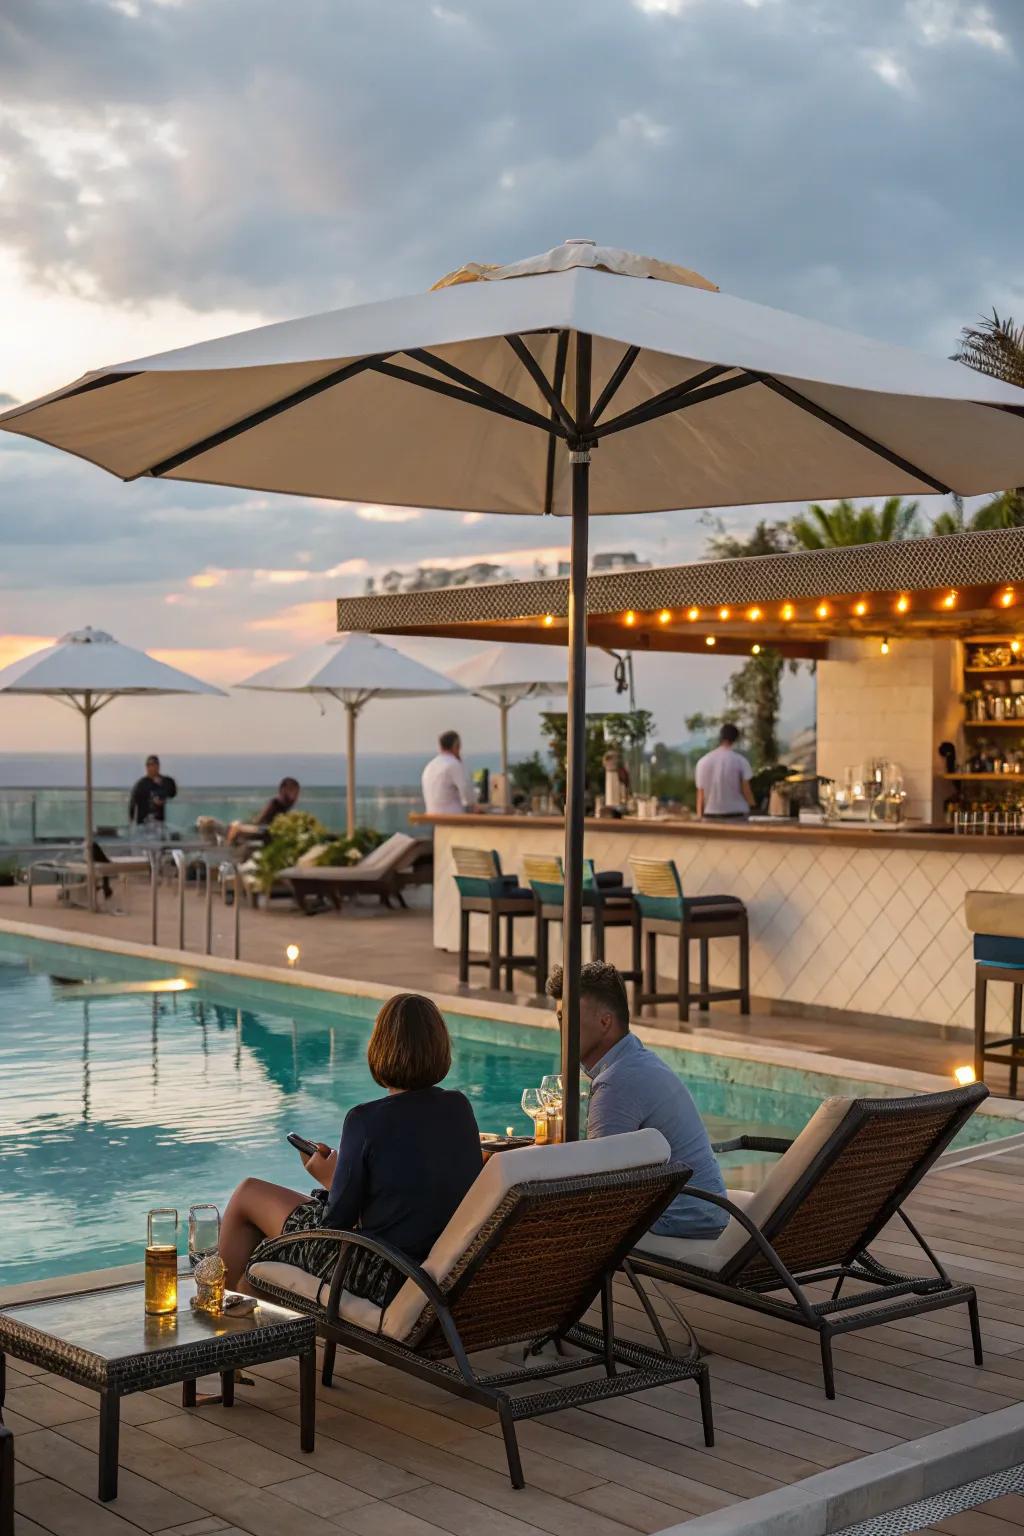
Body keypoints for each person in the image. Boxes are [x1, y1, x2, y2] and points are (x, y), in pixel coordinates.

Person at [219, 993, 483, 1300]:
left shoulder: (364, 1120)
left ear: (380, 1047)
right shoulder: (458, 1109)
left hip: (376, 1270)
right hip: (431, 1267)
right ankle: (240, 1310)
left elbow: (335, 1224)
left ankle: (214, 1314)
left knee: (248, 1193)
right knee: (255, 1268)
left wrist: (330, 1176)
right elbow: (413, 1195)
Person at [546, 961, 728, 1238]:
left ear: (605, 1021)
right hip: (705, 1210)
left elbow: (598, 1191)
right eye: (559, 1019)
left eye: (566, 1018)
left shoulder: (616, 1083)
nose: (561, 1029)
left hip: (677, 1222)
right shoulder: (637, 1061)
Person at [695, 723, 754, 821]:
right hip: (737, 814)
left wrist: (699, 816)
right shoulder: (741, 761)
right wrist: (753, 806)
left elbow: (700, 794)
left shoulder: (703, 762)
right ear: (735, 739)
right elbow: (746, 789)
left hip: (711, 814)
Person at [421, 731, 475, 815]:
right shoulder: (454, 764)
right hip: (452, 817)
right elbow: (467, 793)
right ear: (456, 746)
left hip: (433, 815)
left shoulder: (430, 766)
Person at [128, 755, 177, 825]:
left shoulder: (166, 781)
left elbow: (173, 792)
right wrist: (131, 819)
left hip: (160, 822)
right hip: (144, 822)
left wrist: (162, 787)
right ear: (147, 767)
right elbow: (133, 801)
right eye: (150, 765)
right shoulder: (141, 784)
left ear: (158, 766)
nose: (153, 768)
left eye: (155, 765)